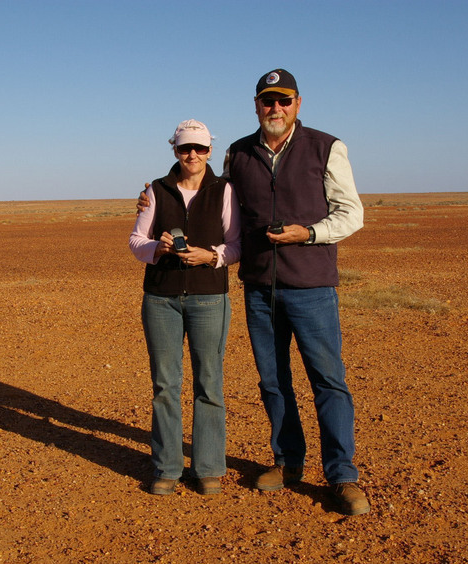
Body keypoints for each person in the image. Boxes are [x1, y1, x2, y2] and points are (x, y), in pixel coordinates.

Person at [138, 70, 369, 515]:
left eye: (283, 100)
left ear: (298, 103)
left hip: (312, 285)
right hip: (260, 287)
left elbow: (351, 214)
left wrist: (309, 232)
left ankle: (342, 475)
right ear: (257, 104)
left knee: (327, 381)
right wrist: (155, 198)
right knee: (273, 381)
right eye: (267, 101)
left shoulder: (327, 147)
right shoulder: (238, 154)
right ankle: (287, 462)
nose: (275, 109)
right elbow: (211, 196)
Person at [129, 119, 241, 496]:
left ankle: (208, 467)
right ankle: (167, 467)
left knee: (209, 382)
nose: (192, 155)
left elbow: (237, 243)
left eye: (200, 148)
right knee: (165, 385)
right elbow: (135, 240)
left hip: (210, 297)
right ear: (174, 150)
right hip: (161, 298)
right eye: (184, 148)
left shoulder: (224, 190)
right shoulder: (156, 191)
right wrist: (155, 249)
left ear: (210, 150)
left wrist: (211, 257)